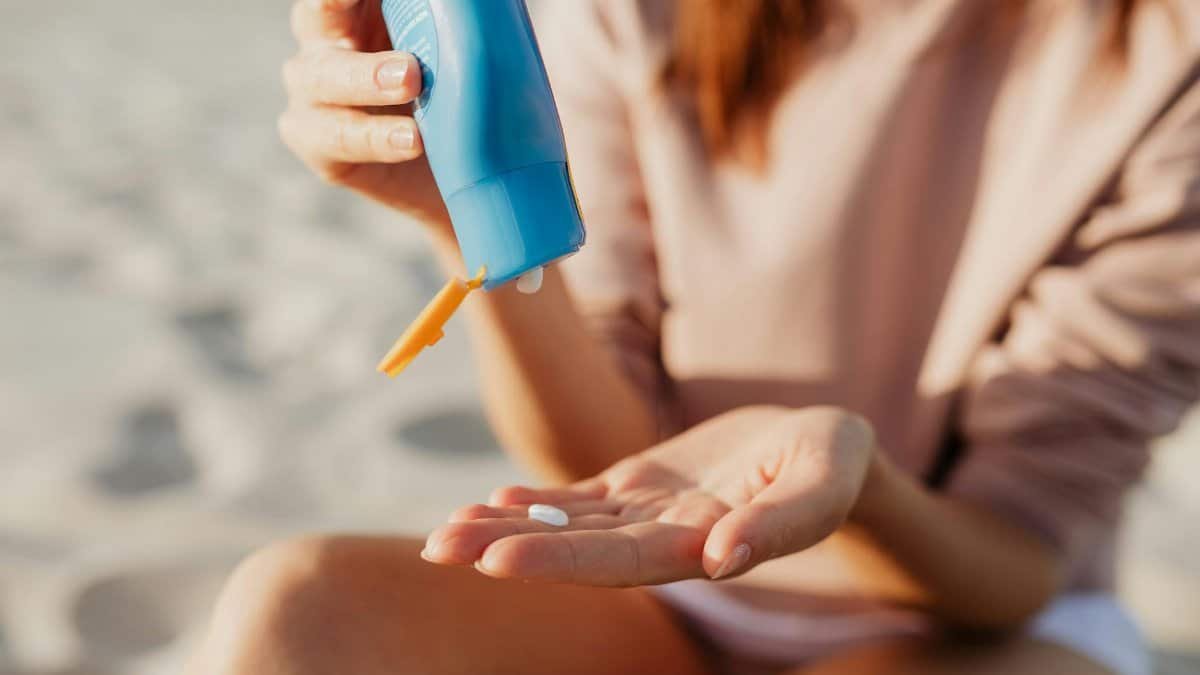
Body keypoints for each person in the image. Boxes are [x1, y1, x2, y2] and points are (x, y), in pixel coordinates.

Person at [187, 1, 1200, 673]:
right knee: (300, 610)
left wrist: (862, 487)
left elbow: (1016, 562)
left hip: (983, 621)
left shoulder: (1167, 59)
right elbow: (596, 463)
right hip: (665, 594)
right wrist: (466, 207)